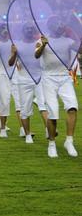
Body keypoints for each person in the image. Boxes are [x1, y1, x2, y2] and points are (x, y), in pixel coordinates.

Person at [34, 22, 78, 158]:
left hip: (65, 76)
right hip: (48, 77)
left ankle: (69, 141)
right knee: (52, 112)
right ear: (50, 26)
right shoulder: (42, 39)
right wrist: (44, 45)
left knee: (72, 107)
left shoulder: (69, 40)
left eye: (60, 23)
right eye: (56, 23)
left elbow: (80, 50)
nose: (59, 26)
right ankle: (51, 144)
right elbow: (36, 55)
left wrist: (78, 36)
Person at [9, 42, 48, 144]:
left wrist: (42, 46)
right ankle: (27, 135)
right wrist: (14, 53)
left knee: (44, 104)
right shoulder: (16, 44)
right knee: (25, 109)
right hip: (23, 81)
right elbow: (10, 63)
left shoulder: (40, 42)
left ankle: (48, 130)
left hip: (39, 79)